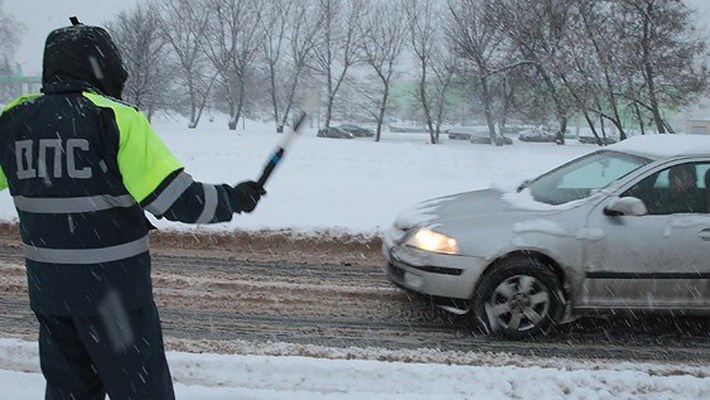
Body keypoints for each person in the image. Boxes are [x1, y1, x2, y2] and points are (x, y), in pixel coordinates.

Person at [0, 20, 265, 399]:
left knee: (69, 392)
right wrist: (232, 200)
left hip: (52, 298)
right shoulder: (115, 119)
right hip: (114, 300)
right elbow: (176, 200)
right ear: (105, 66)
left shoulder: (13, 122)